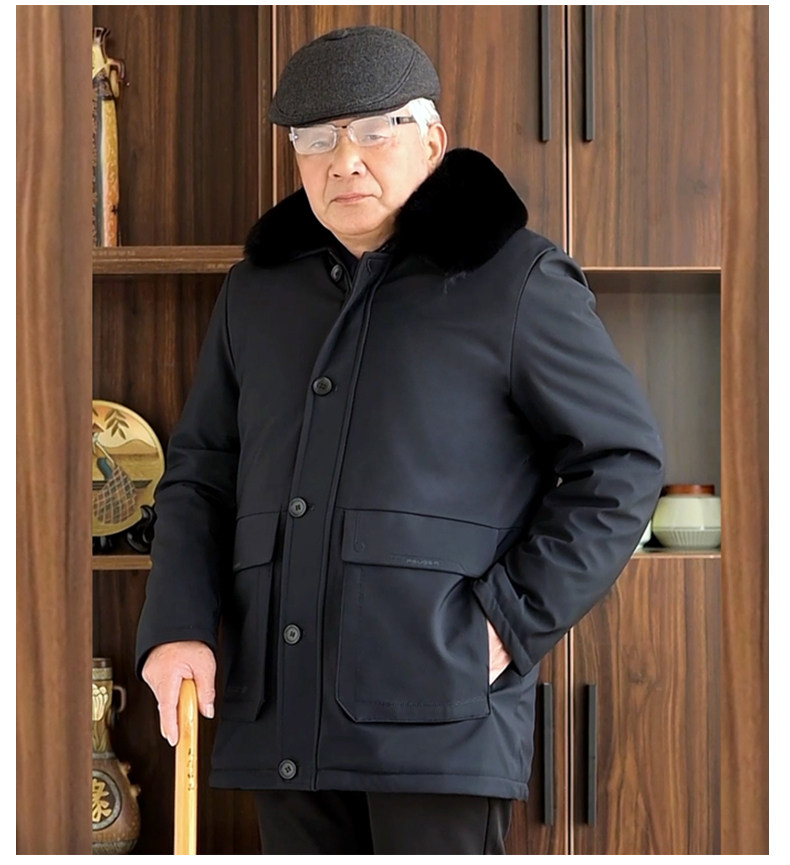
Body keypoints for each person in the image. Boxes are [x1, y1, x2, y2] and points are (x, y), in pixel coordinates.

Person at [136, 25, 665, 855]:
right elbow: (202, 473)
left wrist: (508, 621)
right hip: (280, 714)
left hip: (437, 722)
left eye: (376, 131)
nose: (345, 161)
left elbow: (622, 464)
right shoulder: (256, 295)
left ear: (433, 142)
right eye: (316, 139)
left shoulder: (514, 279)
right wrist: (178, 623)